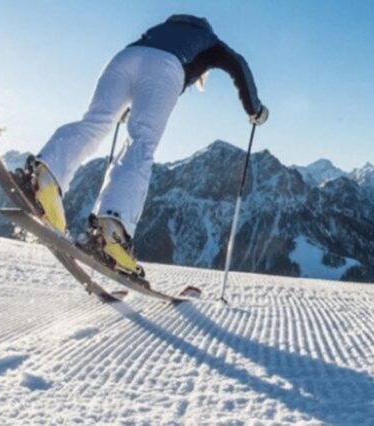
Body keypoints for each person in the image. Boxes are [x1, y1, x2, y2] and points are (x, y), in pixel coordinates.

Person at [16, 14, 267, 276]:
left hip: (124, 58)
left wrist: (127, 104)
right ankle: (111, 232)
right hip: (167, 67)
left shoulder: (158, 30)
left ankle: (43, 177)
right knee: (142, 143)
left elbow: (142, 65)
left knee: (96, 121)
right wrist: (255, 109)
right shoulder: (210, 41)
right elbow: (239, 65)